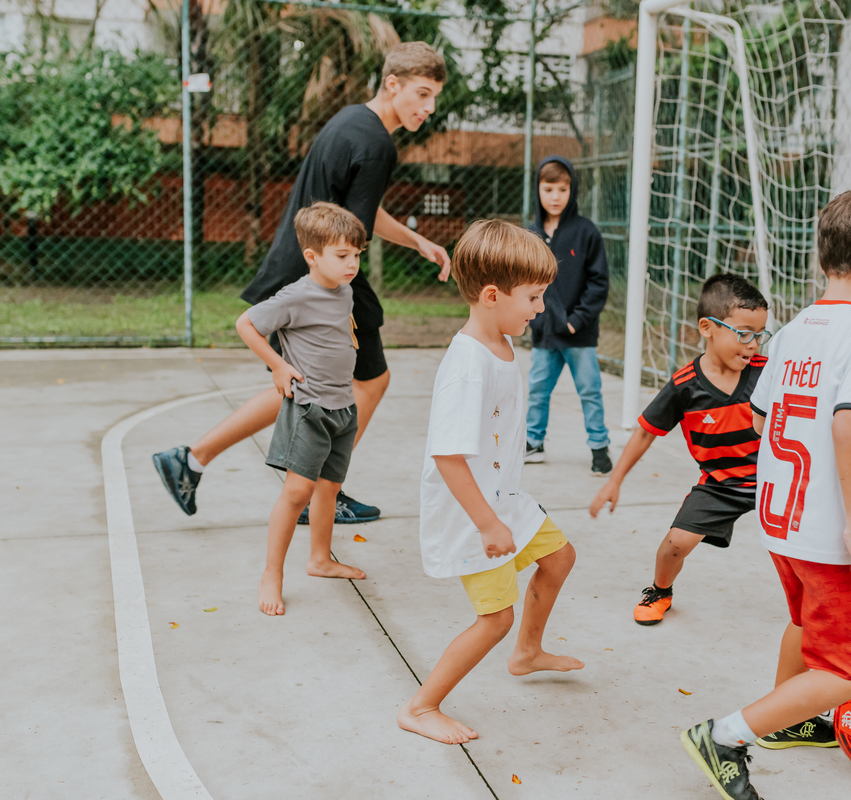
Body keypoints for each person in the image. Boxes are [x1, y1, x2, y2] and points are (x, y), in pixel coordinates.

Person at [679, 190, 851, 799]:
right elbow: (845, 422)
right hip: (826, 534)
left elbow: (761, 419)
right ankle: (727, 735)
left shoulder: (791, 331)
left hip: (778, 521)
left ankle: (789, 723)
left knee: (803, 624)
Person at [153, 42, 452, 525]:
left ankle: (190, 460)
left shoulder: (351, 120)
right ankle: (320, 495)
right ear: (392, 84)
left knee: (305, 385)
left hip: (304, 263)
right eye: (422, 93)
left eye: (434, 96)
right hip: (324, 276)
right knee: (369, 381)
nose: (428, 107)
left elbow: (359, 211)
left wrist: (417, 241)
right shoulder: (377, 144)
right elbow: (354, 231)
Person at [590, 273, 851, 647]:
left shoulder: (766, 368)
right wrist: (615, 480)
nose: (753, 344)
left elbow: (813, 414)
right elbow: (646, 431)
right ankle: (660, 590)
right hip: (721, 485)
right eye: (744, 333)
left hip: (776, 479)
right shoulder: (685, 385)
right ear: (707, 328)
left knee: (841, 543)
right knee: (675, 544)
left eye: (760, 334)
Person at [398, 220, 583, 745]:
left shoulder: (500, 342)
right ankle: (420, 705)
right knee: (494, 617)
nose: (540, 308)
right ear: (492, 294)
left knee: (560, 557)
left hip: (504, 498)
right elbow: (448, 456)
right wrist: (487, 523)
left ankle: (527, 653)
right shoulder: (468, 365)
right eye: (533, 297)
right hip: (473, 511)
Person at [234, 202, 368, 616]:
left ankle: (320, 559)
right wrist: (278, 365)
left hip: (343, 406)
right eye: (342, 256)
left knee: (328, 488)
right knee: (297, 492)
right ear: (312, 256)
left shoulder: (343, 290)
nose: (352, 264)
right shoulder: (297, 295)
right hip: (310, 408)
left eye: (357, 255)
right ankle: (272, 574)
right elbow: (246, 324)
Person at [523, 156, 612, 475]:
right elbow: (522, 282)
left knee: (590, 391)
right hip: (545, 334)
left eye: (563, 189)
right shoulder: (530, 234)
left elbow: (599, 282)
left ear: (572, 191)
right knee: (537, 391)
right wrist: (535, 320)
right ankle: (534, 442)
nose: (556, 196)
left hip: (579, 334)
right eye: (549, 189)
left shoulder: (586, 231)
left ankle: (599, 449)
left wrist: (577, 320)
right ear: (538, 190)